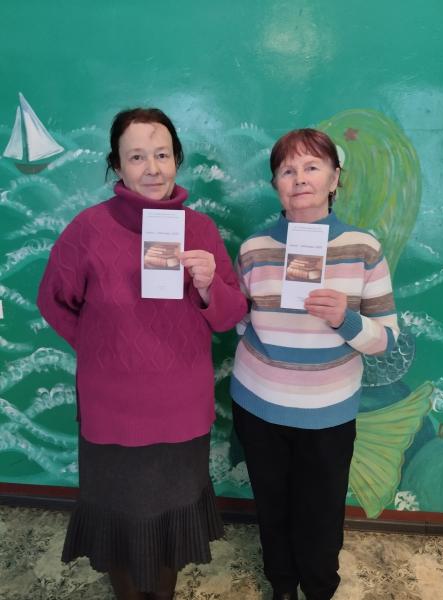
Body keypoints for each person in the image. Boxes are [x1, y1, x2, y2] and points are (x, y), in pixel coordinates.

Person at [37, 107, 248, 600]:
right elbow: (52, 300)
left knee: (171, 524)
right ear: (116, 164)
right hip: (112, 411)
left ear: (177, 159)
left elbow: (230, 314)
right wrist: (98, 347)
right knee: (119, 524)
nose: (152, 168)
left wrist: (208, 286)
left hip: (181, 410)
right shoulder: (88, 229)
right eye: (136, 157)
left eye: (162, 155)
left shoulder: (200, 229)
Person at [230, 128, 399, 600]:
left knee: (322, 513)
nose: (300, 178)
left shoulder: (363, 249)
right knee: (272, 506)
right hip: (259, 406)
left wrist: (346, 320)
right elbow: (240, 322)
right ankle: (282, 587)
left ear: (334, 178)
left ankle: (320, 589)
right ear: (275, 186)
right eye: (287, 170)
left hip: (328, 412)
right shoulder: (253, 249)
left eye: (312, 167)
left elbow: (387, 340)